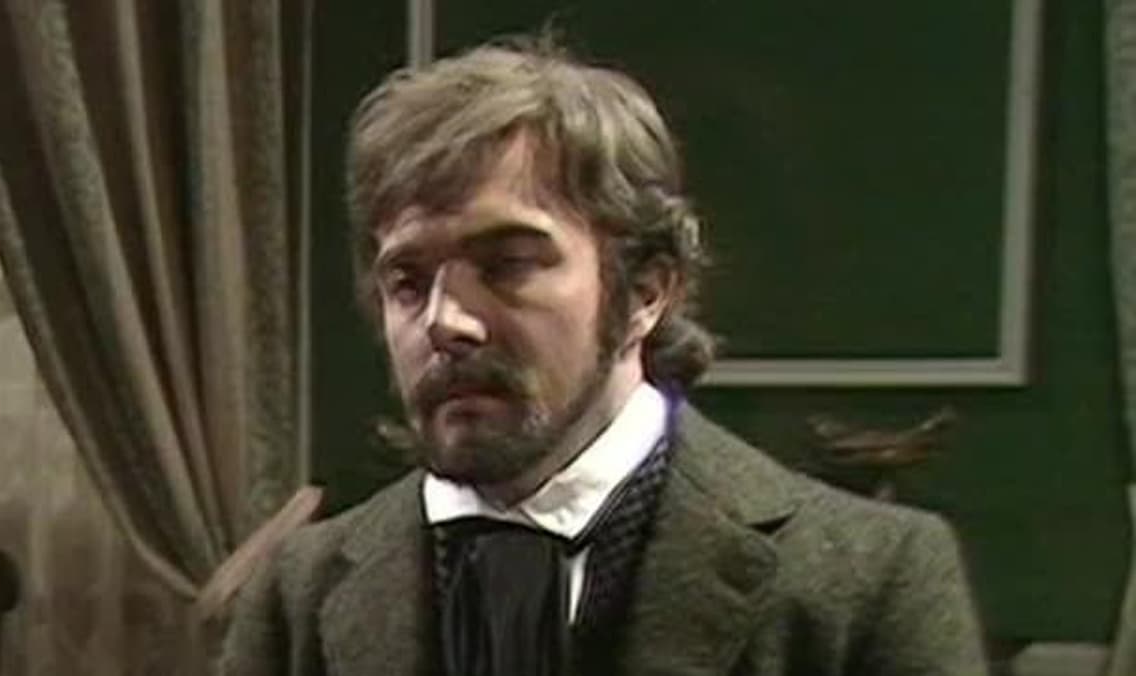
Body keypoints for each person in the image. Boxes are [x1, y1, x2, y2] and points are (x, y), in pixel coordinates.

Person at [217, 35, 986, 676]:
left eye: (508, 265)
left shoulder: (867, 585)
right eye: (407, 282)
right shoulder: (297, 596)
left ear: (645, 291)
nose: (446, 322)